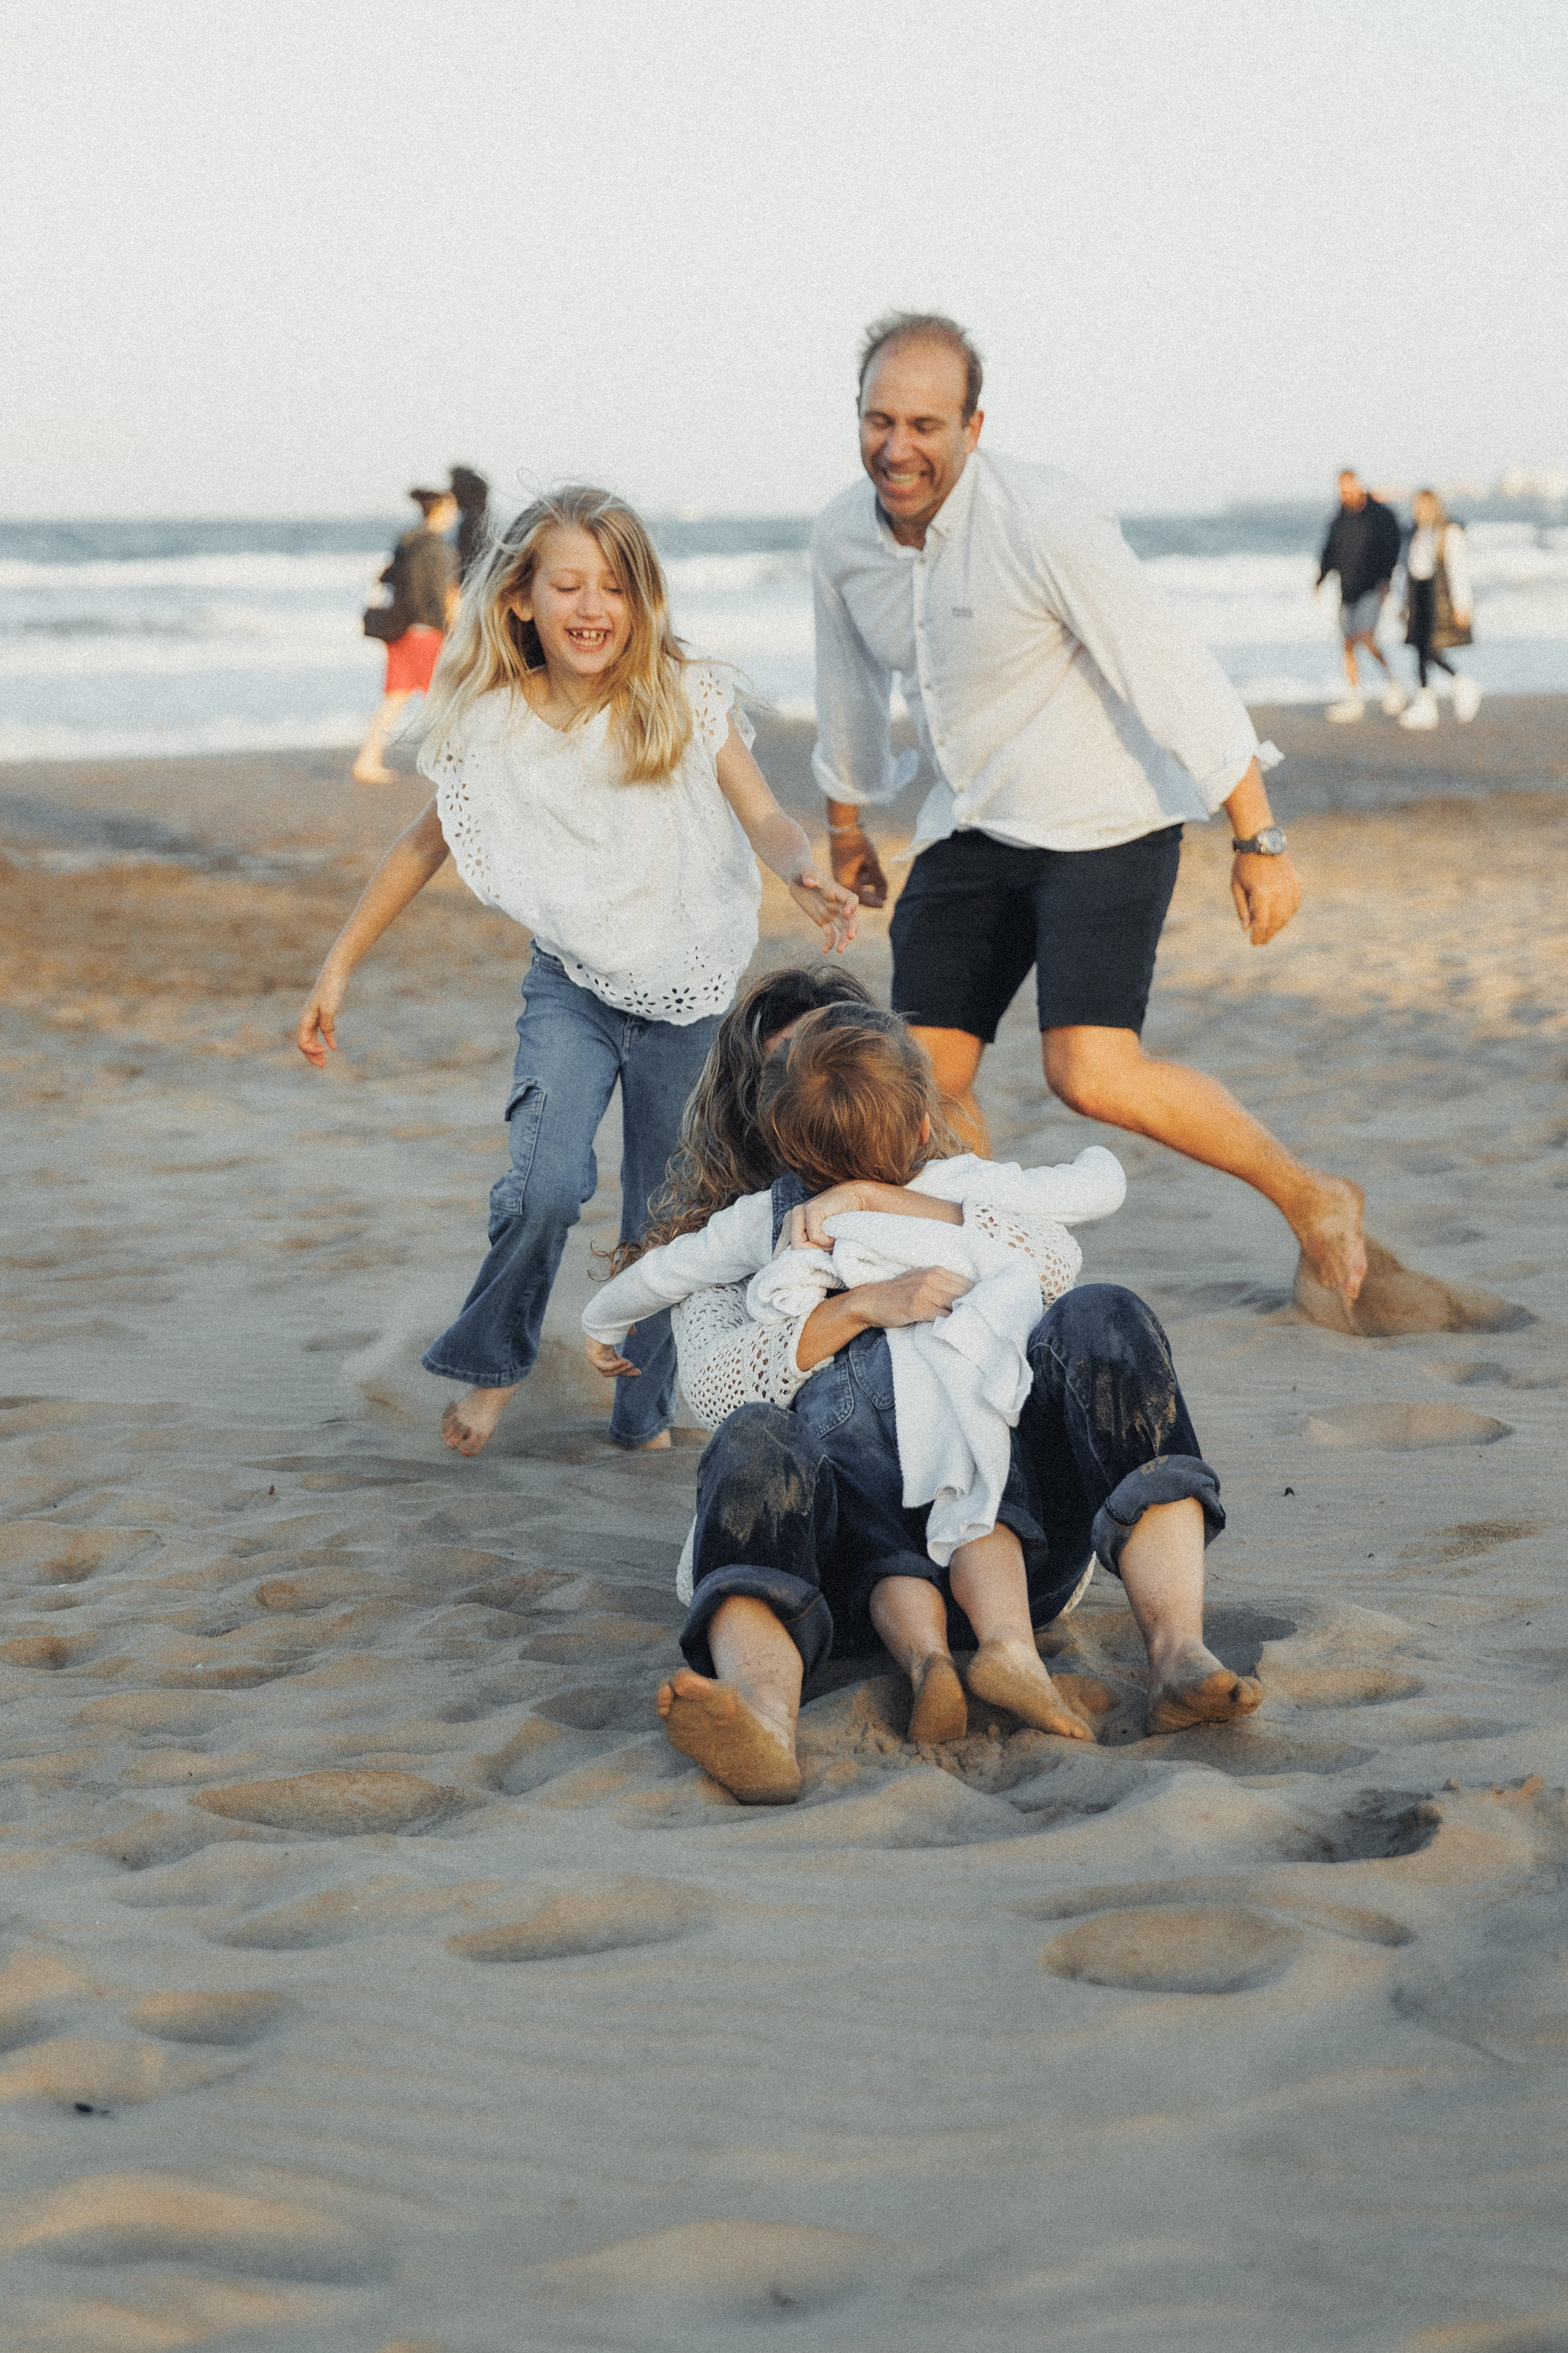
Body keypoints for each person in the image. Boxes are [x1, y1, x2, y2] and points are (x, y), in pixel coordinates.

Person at [814, 311, 1368, 1307]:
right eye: (878, 419)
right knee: (919, 1085)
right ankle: (1001, 1269)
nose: (898, 447)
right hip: (974, 818)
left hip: (1104, 814)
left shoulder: (1043, 515)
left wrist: (1258, 833)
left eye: (926, 425)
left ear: (973, 428)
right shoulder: (842, 540)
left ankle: (1312, 1195)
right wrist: (848, 829)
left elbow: (1164, 663)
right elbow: (849, 691)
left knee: (1091, 1071)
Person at [583, 989, 1259, 1804]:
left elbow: (1052, 1262)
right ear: (754, 1109)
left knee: (1105, 1314)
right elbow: (715, 1389)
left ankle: (1179, 1654)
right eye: (794, 1075)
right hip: (832, 1581)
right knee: (756, 1436)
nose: (835, 1103)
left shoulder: (948, 1188)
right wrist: (857, 1307)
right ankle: (762, 1717)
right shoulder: (742, 1234)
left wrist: (883, 1202)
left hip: (1008, 1533)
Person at [298, 485, 861, 1460]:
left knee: (665, 1218)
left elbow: (763, 812)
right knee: (547, 1186)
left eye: (616, 585)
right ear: (521, 598)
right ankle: (494, 1362)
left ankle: (642, 1410)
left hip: (687, 992)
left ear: (642, 601)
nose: (593, 605)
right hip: (572, 987)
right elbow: (419, 846)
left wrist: (800, 866)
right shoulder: (495, 724)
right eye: (568, 584)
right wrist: (337, 967)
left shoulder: (682, 694)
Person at [353, 488, 462, 784]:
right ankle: (455, 765)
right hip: (427, 634)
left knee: (395, 698)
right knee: (446, 701)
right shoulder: (440, 551)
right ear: (440, 511)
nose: (455, 515)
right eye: (451, 509)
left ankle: (367, 760)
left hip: (400, 632)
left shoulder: (406, 544)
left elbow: (386, 581)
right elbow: (448, 599)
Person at [1315, 469, 1407, 722]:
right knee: (1347, 643)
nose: (1346, 494)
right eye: (1341, 490)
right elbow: (1330, 552)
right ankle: (1354, 697)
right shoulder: (1339, 519)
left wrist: (1388, 578)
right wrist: (1320, 580)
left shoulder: (1379, 515)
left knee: (1366, 637)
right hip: (1347, 589)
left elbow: (1393, 545)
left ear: (1358, 485)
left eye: (1349, 488)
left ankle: (1393, 684)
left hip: (1372, 587)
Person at [1399, 489, 1480, 731]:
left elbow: (1459, 570)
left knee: (1429, 646)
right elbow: (1406, 570)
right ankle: (1432, 699)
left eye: (1422, 506)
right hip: (1418, 593)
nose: (1417, 511)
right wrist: (1401, 602)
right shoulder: (1413, 533)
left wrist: (1462, 605)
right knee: (1420, 646)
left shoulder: (1449, 531)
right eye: (1415, 506)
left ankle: (1457, 684)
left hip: (1439, 595)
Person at [449, 466, 492, 583]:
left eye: (454, 487)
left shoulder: (471, 521)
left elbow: (469, 563)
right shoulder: (482, 518)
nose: (451, 492)